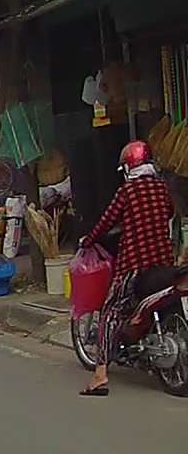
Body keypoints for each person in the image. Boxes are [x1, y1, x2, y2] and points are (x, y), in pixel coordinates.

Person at [78, 141, 174, 396]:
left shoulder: (128, 191)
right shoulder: (162, 188)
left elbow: (107, 221)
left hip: (134, 265)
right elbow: (169, 213)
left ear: (129, 167)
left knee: (110, 312)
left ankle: (100, 375)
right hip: (164, 263)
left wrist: (88, 240)